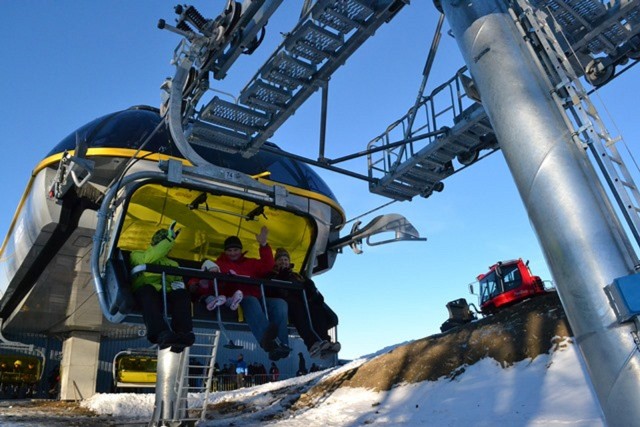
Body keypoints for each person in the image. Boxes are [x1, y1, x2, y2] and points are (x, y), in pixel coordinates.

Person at [194, 227, 291, 361]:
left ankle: (283, 343)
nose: (233, 253)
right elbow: (204, 279)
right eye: (229, 250)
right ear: (225, 251)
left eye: (236, 250)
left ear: (240, 250)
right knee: (250, 301)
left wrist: (263, 245)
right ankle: (269, 343)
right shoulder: (219, 264)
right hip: (238, 298)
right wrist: (199, 285)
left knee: (280, 304)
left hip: (258, 297)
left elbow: (268, 267)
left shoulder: (250, 263)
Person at [129, 221, 194, 352]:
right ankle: (158, 333)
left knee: (182, 295)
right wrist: (169, 239)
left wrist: (179, 287)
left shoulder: (173, 263)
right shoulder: (137, 255)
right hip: (147, 289)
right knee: (148, 292)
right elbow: (149, 260)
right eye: (163, 244)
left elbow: (177, 280)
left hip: (167, 291)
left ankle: (183, 334)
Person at [266, 248, 341, 359]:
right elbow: (271, 292)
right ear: (275, 262)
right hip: (289, 307)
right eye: (280, 260)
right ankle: (312, 344)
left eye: (285, 259)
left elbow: (314, 292)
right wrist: (282, 278)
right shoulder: (272, 275)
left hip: (305, 303)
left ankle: (325, 342)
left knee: (316, 309)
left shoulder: (298, 276)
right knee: (299, 310)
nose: (283, 262)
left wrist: (312, 291)